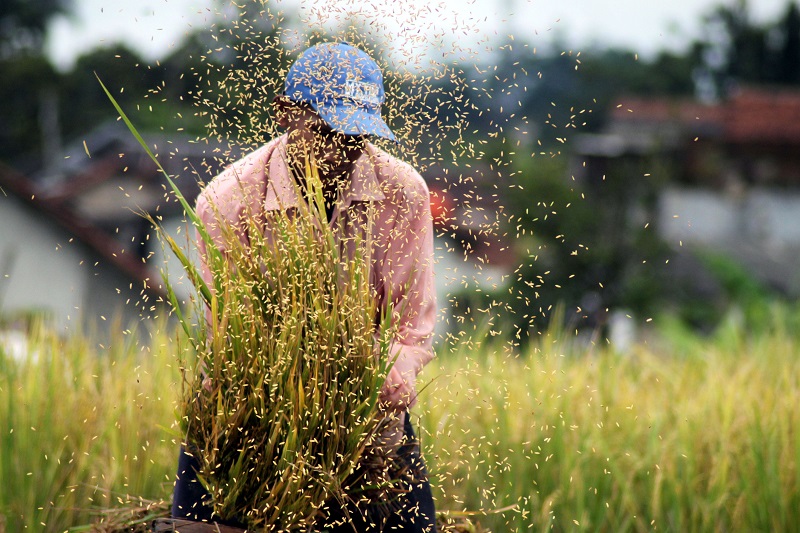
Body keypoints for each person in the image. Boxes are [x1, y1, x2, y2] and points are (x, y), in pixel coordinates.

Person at [170, 42, 438, 532]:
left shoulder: (403, 192)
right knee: (199, 522)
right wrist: (291, 401)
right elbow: (232, 337)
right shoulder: (229, 202)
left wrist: (386, 375)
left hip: (367, 404)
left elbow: (410, 326)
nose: (342, 151)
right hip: (252, 406)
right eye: (327, 132)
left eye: (357, 136)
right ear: (285, 114)